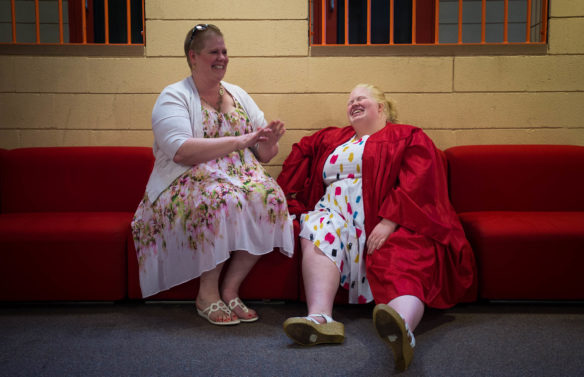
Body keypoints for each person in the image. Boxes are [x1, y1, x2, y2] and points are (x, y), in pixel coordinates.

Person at [277, 84, 477, 371]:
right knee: (317, 228)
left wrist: (388, 221)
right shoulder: (335, 138)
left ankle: (402, 329)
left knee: (403, 253)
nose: (354, 103)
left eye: (362, 99)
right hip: (335, 214)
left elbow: (420, 179)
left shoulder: (405, 135)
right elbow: (303, 150)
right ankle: (320, 319)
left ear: (381, 108)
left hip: (387, 217)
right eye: (350, 100)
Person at [131, 24, 294, 326]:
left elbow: (263, 154)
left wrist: (269, 142)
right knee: (221, 199)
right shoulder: (173, 96)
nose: (222, 57)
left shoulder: (239, 94)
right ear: (193, 56)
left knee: (271, 196)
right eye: (213, 52)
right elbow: (181, 151)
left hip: (241, 178)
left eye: (224, 51)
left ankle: (230, 290)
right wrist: (240, 141)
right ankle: (207, 294)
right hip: (187, 180)